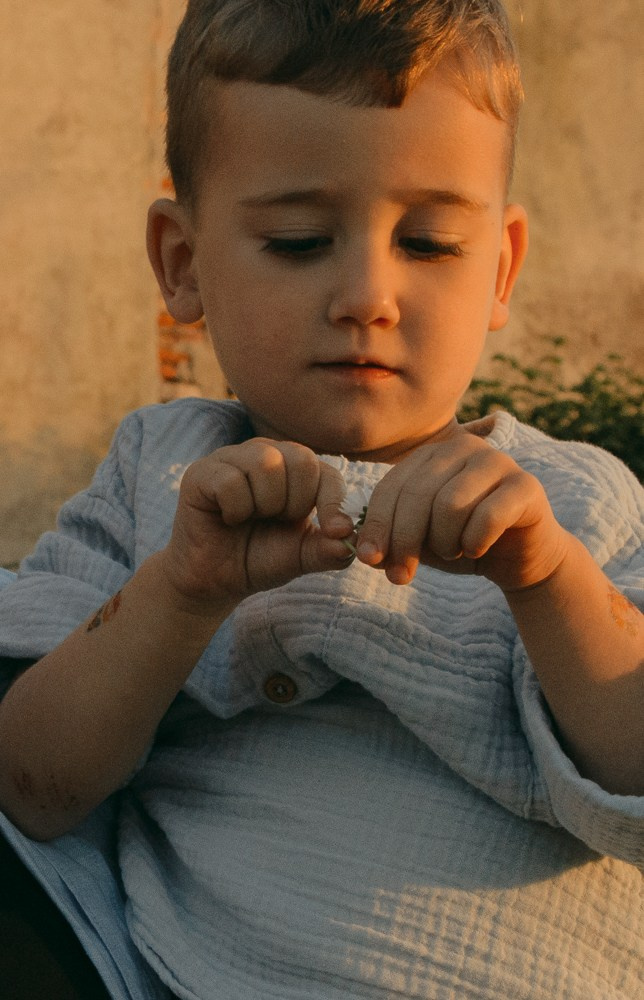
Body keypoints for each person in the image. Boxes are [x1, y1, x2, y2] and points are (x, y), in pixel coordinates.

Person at [0, 1, 642, 997]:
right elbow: (30, 784)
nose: (367, 297)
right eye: (300, 242)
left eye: (429, 242)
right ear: (182, 264)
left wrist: (548, 578)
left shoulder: (568, 503)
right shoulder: (159, 475)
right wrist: (178, 592)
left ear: (501, 267)